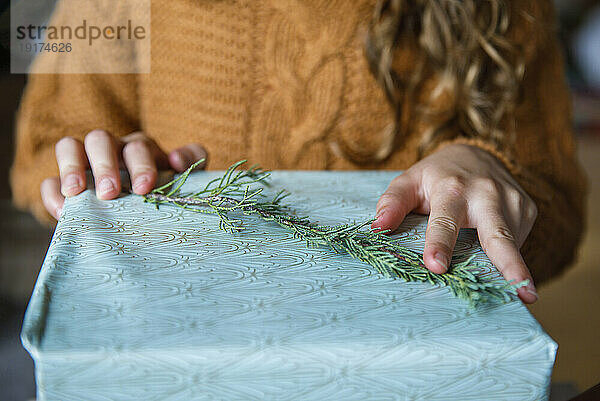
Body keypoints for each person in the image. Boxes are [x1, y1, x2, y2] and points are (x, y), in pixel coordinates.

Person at [10, 0, 587, 304]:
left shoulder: (500, 10)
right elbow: (40, 150)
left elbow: (557, 217)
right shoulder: (105, 6)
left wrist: (490, 173)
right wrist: (94, 170)